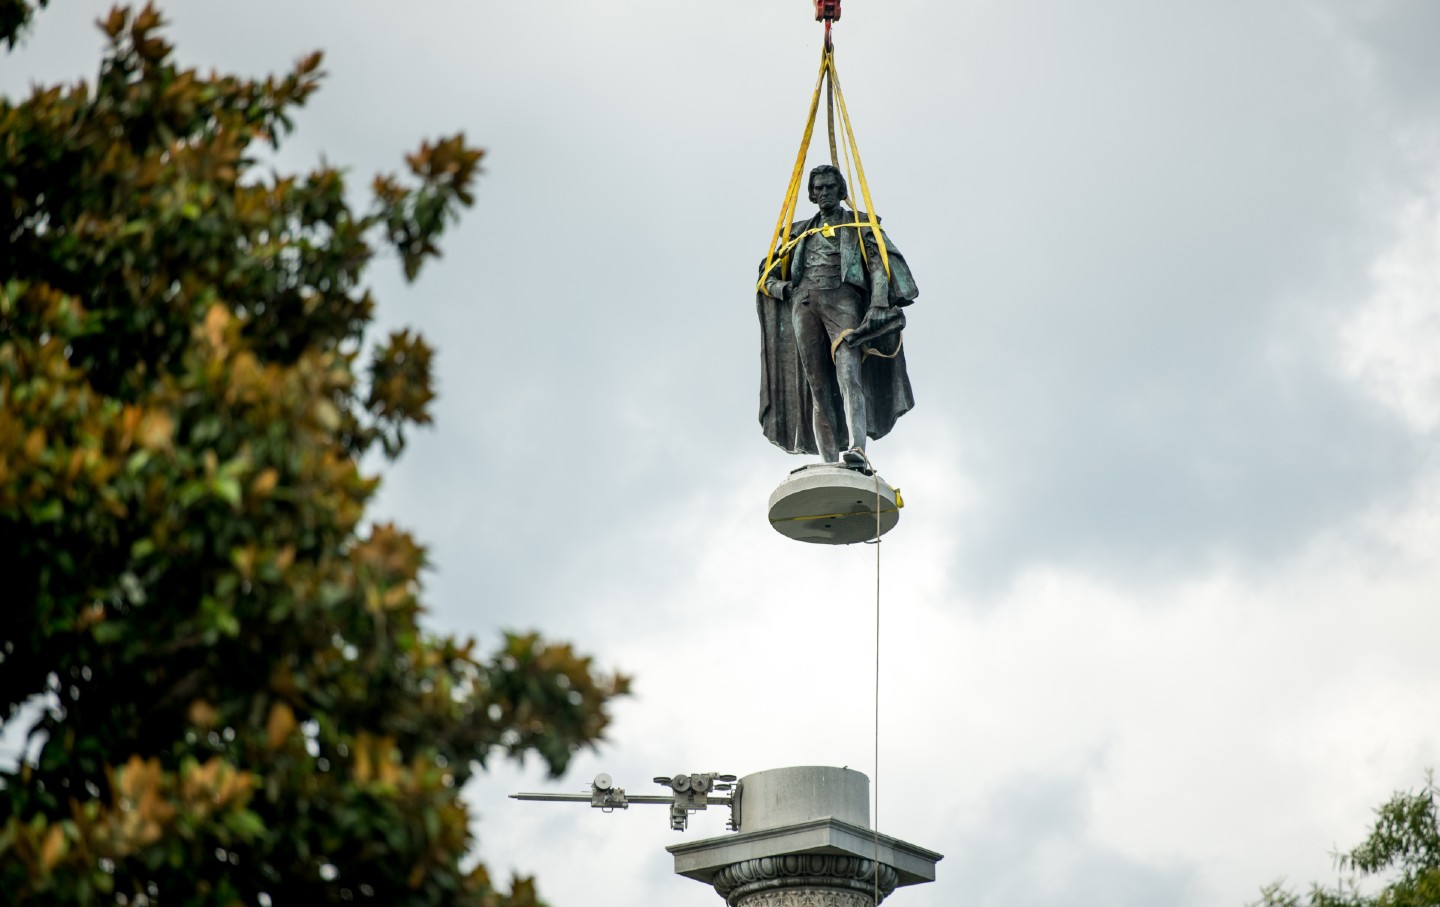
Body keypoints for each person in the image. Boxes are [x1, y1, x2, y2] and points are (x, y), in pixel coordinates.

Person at [757, 164, 918, 466]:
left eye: (830, 187)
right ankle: (829, 462)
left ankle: (857, 449)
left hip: (843, 299)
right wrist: (785, 290)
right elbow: (766, 276)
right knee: (817, 386)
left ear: (841, 191)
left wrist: (878, 304)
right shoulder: (800, 231)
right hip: (803, 303)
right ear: (811, 193)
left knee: (848, 374)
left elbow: (878, 265)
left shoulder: (857, 224)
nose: (824, 193)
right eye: (818, 188)